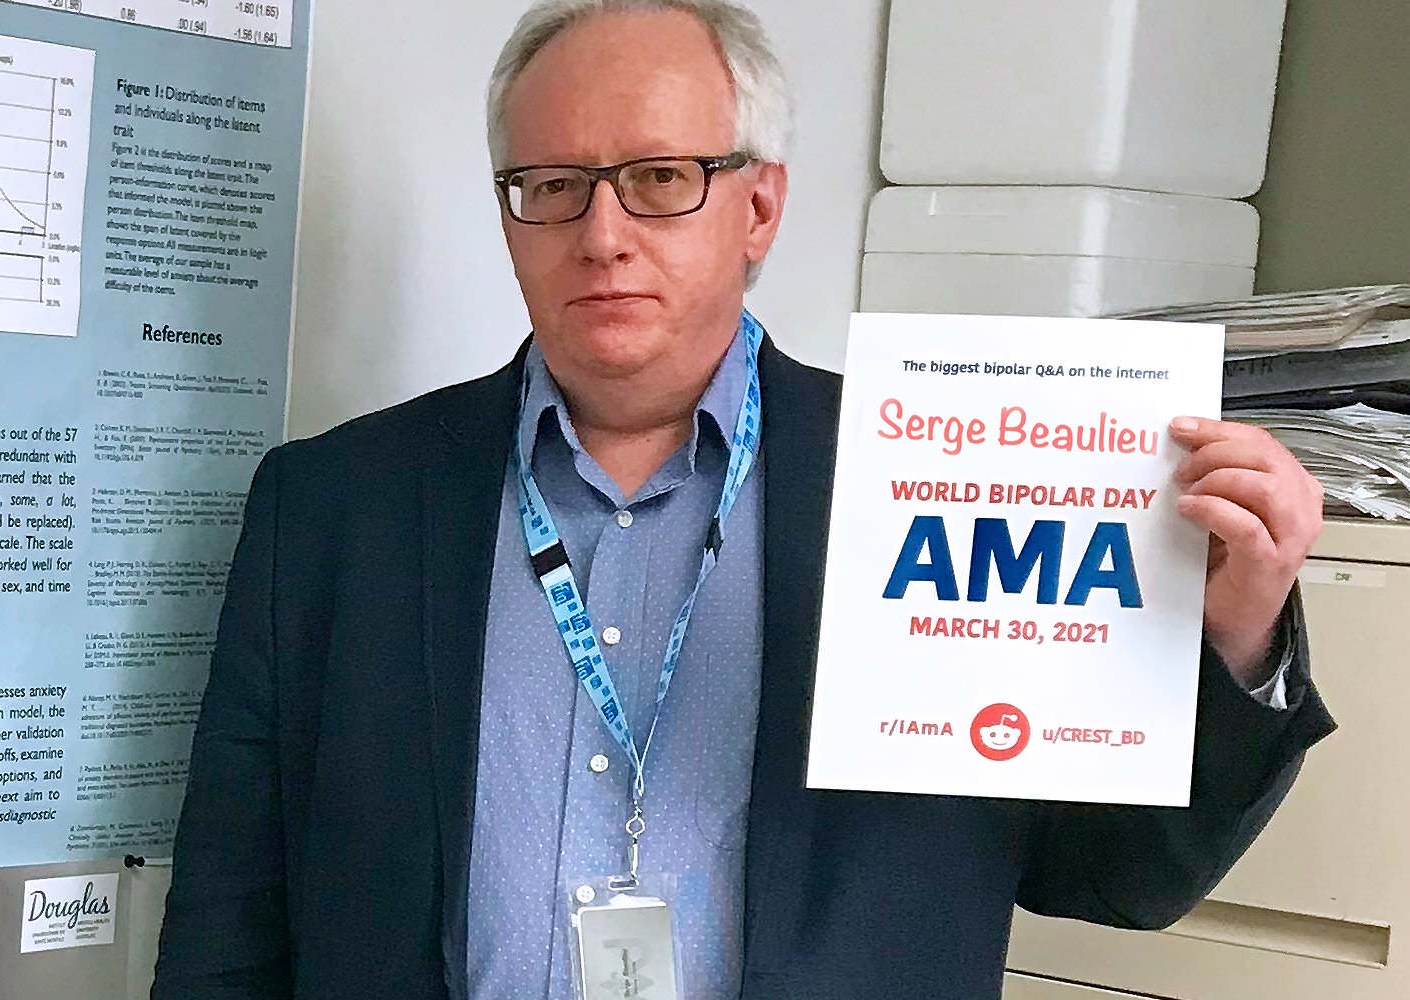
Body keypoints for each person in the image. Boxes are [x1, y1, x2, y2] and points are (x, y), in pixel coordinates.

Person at [151, 1, 1336, 997]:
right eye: (552, 186)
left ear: (757, 208)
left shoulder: (947, 482)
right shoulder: (330, 508)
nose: (601, 233)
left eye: (661, 177)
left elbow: (1116, 878)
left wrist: (1233, 629)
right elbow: (228, 913)